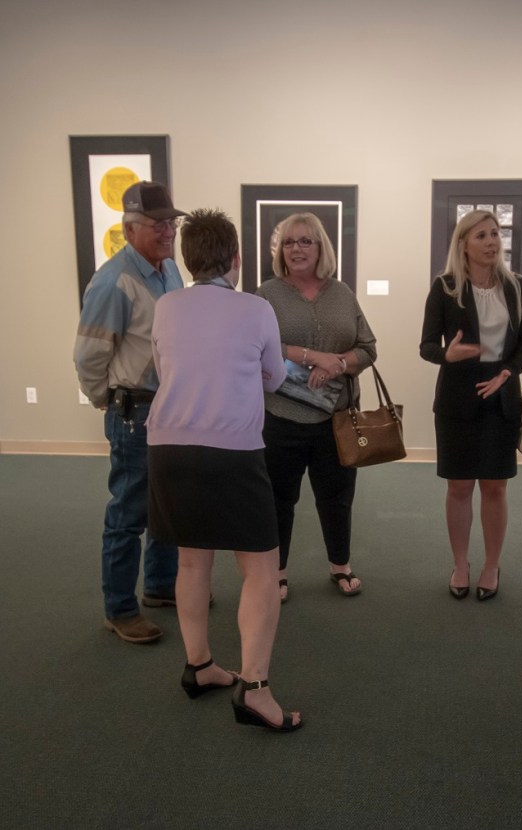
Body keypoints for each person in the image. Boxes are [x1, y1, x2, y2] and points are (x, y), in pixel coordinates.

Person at [146, 208, 301, 731]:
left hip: (168, 447)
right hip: (231, 450)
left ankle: (200, 666)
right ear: (236, 259)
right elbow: (275, 378)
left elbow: (167, 369)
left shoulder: (166, 307)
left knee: (193, 563)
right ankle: (254, 689)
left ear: (187, 259)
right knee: (260, 568)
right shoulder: (255, 310)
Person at [74, 181, 185, 644]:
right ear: (131, 228)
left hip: (170, 408)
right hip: (134, 412)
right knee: (129, 512)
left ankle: (160, 586)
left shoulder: (170, 271)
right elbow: (88, 356)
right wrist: (109, 401)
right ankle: (120, 609)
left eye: (171, 223)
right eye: (159, 224)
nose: (168, 231)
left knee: (166, 503)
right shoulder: (113, 279)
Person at [256, 212, 377, 602]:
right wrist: (313, 356)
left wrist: (339, 363)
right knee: (278, 500)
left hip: (336, 419)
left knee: (337, 496)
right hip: (281, 416)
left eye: (305, 241)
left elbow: (368, 348)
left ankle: (340, 565)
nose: (296, 249)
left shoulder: (342, 293)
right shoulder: (266, 295)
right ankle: (278, 572)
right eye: (289, 242)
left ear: (321, 247)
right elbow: (255, 347)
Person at [420, 210, 522, 601]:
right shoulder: (445, 287)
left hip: (500, 396)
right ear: (463, 244)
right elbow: (427, 347)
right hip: (457, 398)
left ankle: (490, 564)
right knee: (458, 486)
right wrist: (447, 356)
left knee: (495, 487)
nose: (491, 242)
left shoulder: (516, 285)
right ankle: (460, 563)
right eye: (481, 235)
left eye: (495, 234)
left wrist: (507, 373)